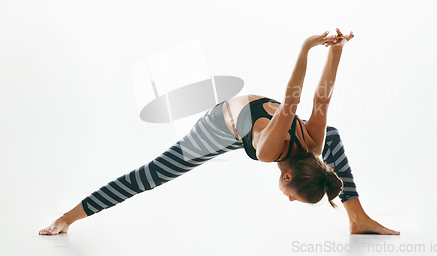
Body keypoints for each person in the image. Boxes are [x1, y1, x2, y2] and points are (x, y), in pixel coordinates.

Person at [39, 29, 400, 236]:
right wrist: (307, 48)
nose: (287, 198)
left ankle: (357, 218)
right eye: (292, 195)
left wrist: (336, 52)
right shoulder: (269, 151)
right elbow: (292, 101)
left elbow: (322, 100)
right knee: (151, 176)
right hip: (216, 128)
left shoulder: (313, 143)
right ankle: (66, 218)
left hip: (249, 120)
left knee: (331, 132)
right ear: (288, 175)